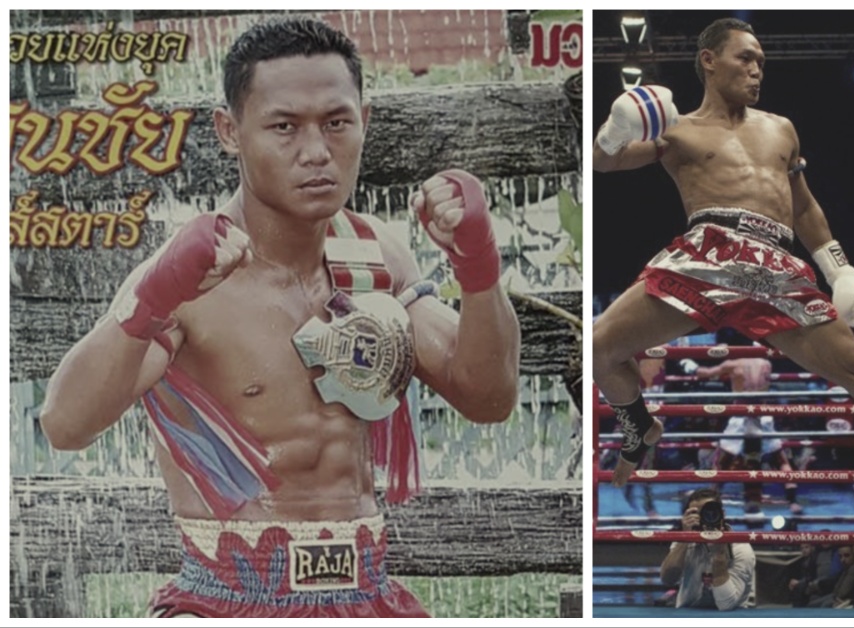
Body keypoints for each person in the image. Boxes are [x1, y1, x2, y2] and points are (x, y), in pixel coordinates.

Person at [38, 17, 520, 618]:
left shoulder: (376, 258)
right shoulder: (189, 275)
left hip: (366, 596)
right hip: (227, 600)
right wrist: (150, 303)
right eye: (284, 127)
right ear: (229, 131)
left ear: (364, 122)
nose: (316, 153)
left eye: (336, 122)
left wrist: (478, 269)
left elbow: (489, 397)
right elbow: (63, 425)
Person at [591, 17, 854, 489]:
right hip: (708, 252)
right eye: (745, 58)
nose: (757, 70)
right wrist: (616, 128)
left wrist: (839, 269)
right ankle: (638, 425)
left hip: (775, 265)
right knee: (598, 347)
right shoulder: (677, 131)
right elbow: (606, 161)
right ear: (709, 61)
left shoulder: (781, 129)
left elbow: (803, 206)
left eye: (761, 62)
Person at [685, 356, 804, 514]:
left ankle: (711, 501)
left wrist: (689, 366)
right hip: (763, 415)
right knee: (781, 461)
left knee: (721, 463)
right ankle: (793, 502)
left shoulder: (732, 364)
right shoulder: (766, 363)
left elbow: (705, 373)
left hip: (741, 416)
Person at [659, 488, 756, 610]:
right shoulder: (684, 540)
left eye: (710, 511)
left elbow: (726, 604)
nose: (705, 517)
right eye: (697, 513)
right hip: (688, 615)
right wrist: (685, 537)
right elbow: (668, 579)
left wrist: (719, 556)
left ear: (722, 514)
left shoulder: (740, 547)